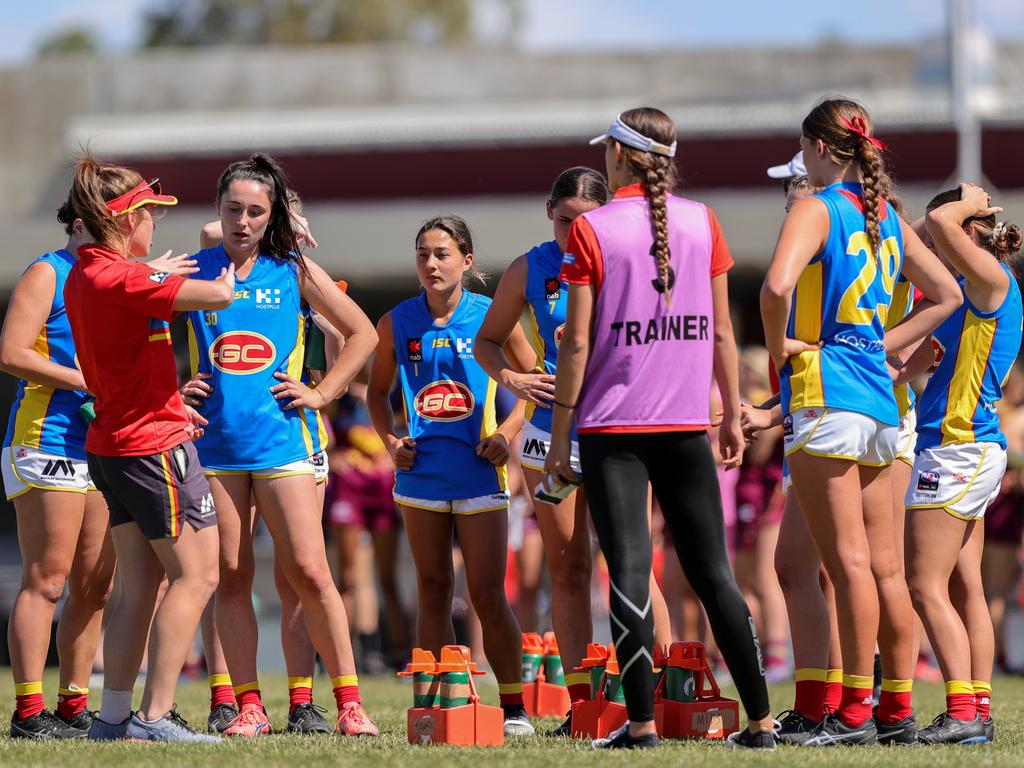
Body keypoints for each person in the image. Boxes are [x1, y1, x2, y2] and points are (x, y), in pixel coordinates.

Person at [545, 107, 774, 750]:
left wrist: (560, 438)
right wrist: (731, 413)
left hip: (611, 428)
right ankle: (759, 724)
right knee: (714, 573)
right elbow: (726, 331)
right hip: (686, 424)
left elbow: (578, 342)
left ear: (618, 155)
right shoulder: (704, 221)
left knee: (627, 572)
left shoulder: (592, 229)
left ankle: (641, 726)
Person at [761, 97, 962, 745]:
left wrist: (780, 350)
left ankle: (850, 715)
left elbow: (774, 288)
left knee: (848, 565)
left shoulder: (816, 208)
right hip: (878, 403)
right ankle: (894, 711)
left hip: (828, 396)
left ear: (819, 149)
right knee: (876, 568)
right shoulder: (884, 217)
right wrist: (882, 343)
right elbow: (949, 295)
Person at [185, 153, 379, 737]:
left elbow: (363, 333)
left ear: (271, 217)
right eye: (232, 210)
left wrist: (323, 396)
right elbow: (135, 329)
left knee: (311, 572)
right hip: (214, 447)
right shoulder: (194, 268)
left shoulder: (291, 268)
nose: (242, 221)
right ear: (218, 210)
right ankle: (249, 707)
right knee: (232, 574)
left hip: (282, 444)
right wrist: (171, 391)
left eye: (255, 212)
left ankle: (348, 702)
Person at [62, 154, 236, 742]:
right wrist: (226, 250)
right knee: (198, 576)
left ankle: (112, 718)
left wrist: (151, 271)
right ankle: (156, 716)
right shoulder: (124, 276)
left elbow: (132, 312)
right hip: (152, 449)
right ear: (126, 218)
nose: (156, 225)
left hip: (115, 444)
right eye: (151, 214)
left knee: (140, 585)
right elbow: (217, 296)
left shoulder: (87, 271)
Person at [366, 215, 537, 736]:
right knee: (433, 588)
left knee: (487, 593)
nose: (430, 263)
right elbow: (376, 394)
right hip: (420, 479)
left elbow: (533, 384)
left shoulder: (492, 316)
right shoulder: (397, 320)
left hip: (479, 475)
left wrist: (507, 435)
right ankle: (437, 702)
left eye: (442, 253)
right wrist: (392, 442)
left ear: (466, 260)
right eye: (422, 253)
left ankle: (514, 709)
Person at [473, 166, 609, 734]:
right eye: (563, 221)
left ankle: (658, 688)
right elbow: (488, 340)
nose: (573, 232)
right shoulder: (530, 267)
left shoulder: (625, 255)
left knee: (629, 565)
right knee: (569, 566)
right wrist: (515, 381)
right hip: (547, 434)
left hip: (617, 425)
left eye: (586, 222)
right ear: (547, 212)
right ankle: (581, 704)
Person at [902, 184, 1023, 745]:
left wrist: (963, 202)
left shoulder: (993, 282)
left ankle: (964, 715)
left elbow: (936, 223)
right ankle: (975, 707)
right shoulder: (955, 294)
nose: (933, 247)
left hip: (957, 447)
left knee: (923, 584)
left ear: (968, 231)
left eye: (947, 235)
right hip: (963, 448)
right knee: (962, 583)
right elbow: (920, 240)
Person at [0, 198, 120, 738]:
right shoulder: (49, 270)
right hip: (47, 436)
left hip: (101, 443)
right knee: (47, 580)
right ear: (78, 226)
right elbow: (11, 353)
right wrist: (84, 381)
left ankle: (73, 705)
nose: (124, 233)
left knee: (96, 584)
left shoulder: (121, 276)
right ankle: (28, 712)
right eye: (111, 224)